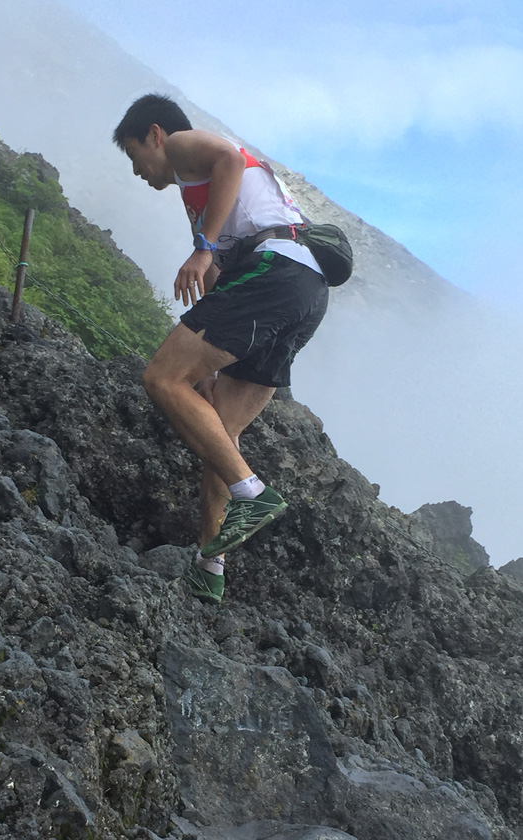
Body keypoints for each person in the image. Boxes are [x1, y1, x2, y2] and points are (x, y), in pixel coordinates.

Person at [113, 94, 328, 604]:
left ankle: (252, 494)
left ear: (156, 135)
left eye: (133, 154)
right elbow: (216, 279)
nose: (137, 171)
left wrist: (202, 246)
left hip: (273, 273)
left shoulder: (187, 145)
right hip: (305, 290)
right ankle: (210, 567)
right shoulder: (200, 194)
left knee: (161, 379)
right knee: (217, 431)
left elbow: (230, 158)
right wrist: (208, 366)